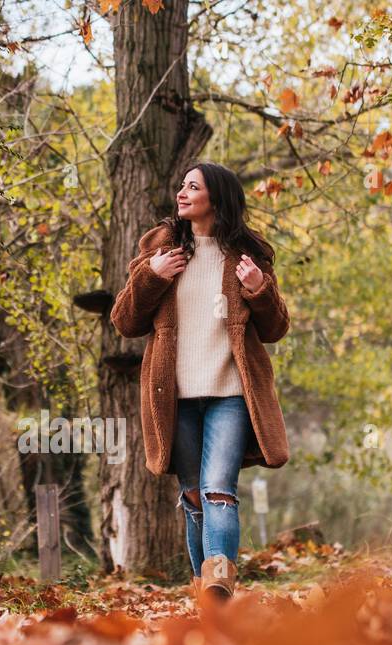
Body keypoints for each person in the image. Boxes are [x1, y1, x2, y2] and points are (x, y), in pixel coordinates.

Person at [109, 161, 292, 602]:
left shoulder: (248, 256)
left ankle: (218, 584)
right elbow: (124, 322)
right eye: (182, 184)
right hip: (175, 399)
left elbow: (275, 328)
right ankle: (207, 594)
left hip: (230, 394)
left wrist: (258, 288)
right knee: (193, 496)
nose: (182, 192)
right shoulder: (160, 250)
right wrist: (153, 277)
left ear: (217, 198)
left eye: (193, 186)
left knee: (218, 491)